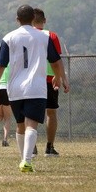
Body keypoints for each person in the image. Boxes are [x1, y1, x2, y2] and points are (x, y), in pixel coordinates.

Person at [0, 5, 69, 173]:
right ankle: (26, 161)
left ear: (17, 19)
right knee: (31, 124)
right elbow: (55, 61)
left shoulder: (9, 37)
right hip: (37, 87)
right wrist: (58, 77)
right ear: (33, 17)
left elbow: (0, 66)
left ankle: (24, 160)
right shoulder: (43, 37)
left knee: (20, 125)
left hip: (15, 88)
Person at [32, 8, 69, 156]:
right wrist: (62, 78)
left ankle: (31, 147)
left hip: (31, 79)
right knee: (51, 113)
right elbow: (57, 60)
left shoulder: (24, 35)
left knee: (31, 114)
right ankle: (49, 147)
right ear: (44, 20)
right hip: (49, 78)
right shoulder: (51, 36)